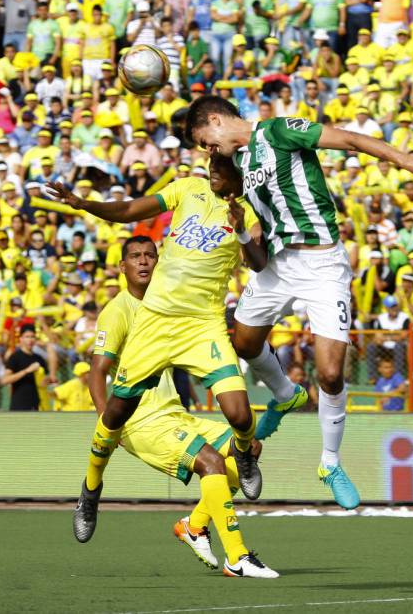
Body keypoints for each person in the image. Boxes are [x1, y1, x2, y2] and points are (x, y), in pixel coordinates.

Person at [183, 94, 413, 509]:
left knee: (330, 374)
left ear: (217, 120)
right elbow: (255, 252)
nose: (207, 150)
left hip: (323, 263)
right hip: (278, 267)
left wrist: (408, 162)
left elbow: (347, 139)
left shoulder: (277, 131)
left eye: (204, 140)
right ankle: (284, 393)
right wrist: (242, 230)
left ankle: (330, 462)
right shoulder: (240, 165)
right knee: (243, 342)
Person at [49, 155, 267, 535]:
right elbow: (132, 209)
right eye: (209, 164)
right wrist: (86, 204)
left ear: (237, 171)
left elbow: (260, 263)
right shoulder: (187, 188)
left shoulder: (249, 210)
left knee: (241, 417)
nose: (211, 170)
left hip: (203, 324)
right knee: (114, 416)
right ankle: (91, 489)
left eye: (219, 166)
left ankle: (244, 457)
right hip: (157, 320)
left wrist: (242, 233)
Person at [70, 234, 279, 578]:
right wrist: (108, 423)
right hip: (141, 421)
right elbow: (98, 371)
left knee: (249, 448)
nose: (143, 261)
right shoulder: (118, 311)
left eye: (150, 255)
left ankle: (194, 526)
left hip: (175, 413)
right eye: (135, 256)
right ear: (122, 266)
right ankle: (237, 557)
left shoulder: (167, 304)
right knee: (211, 462)